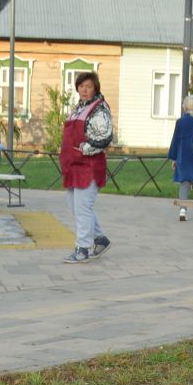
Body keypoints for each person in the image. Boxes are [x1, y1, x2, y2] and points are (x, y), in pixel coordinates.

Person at [59, 70, 112, 263]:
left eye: (88, 86)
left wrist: (84, 148)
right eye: (81, 86)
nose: (84, 89)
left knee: (82, 207)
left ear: (95, 88)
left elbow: (104, 137)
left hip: (89, 165)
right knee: (76, 206)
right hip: (73, 165)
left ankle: (83, 249)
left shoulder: (99, 109)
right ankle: (100, 239)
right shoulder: (79, 107)